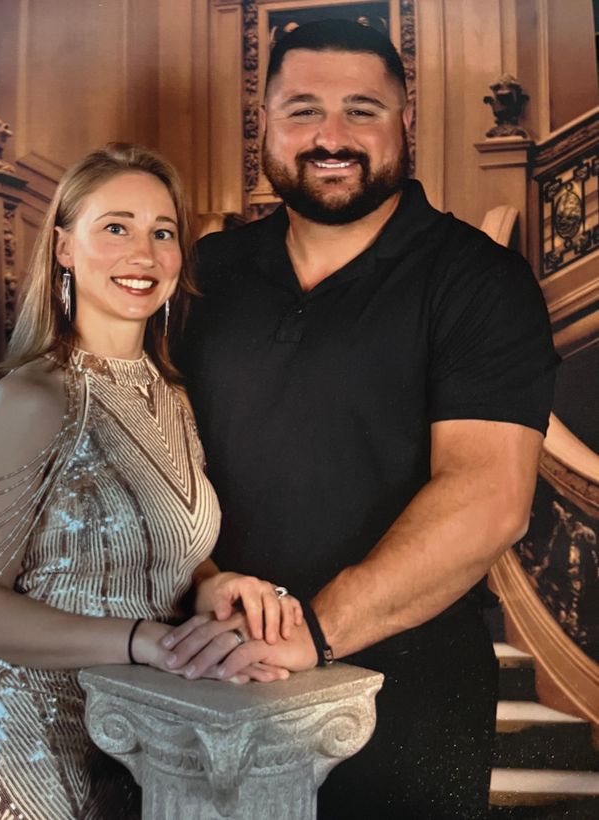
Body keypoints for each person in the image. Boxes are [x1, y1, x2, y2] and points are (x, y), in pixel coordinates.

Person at [167, 20, 558, 820]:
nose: (330, 137)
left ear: (405, 122)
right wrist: (203, 584)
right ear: (265, 124)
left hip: (409, 705)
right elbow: (145, 454)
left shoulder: (480, 281)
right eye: (303, 109)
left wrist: (312, 631)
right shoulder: (207, 273)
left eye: (362, 110)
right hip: (206, 677)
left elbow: (489, 495)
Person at [0, 143, 301, 820]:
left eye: (163, 232)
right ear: (64, 248)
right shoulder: (30, 397)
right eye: (116, 227)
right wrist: (149, 641)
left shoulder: (173, 395)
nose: (144, 251)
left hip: (139, 742)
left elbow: (161, 553)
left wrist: (213, 583)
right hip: (22, 752)